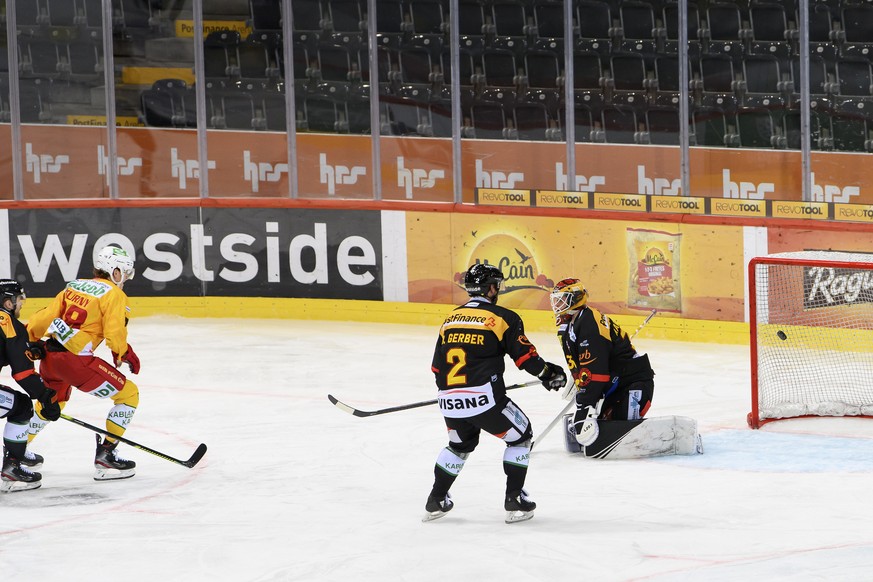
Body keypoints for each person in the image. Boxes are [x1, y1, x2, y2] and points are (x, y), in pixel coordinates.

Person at [424, 263, 568, 524]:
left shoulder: (450, 320)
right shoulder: (504, 318)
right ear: (491, 288)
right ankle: (514, 499)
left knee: (459, 446)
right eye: (496, 285)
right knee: (521, 437)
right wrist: (548, 374)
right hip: (485, 400)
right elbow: (526, 359)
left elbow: (436, 368)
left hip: (448, 399)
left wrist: (454, 393)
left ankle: (436, 500)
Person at [549, 278, 702, 458]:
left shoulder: (589, 323)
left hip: (635, 383)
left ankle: (676, 438)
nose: (557, 304)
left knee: (616, 422)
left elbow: (596, 373)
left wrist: (584, 405)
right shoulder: (574, 323)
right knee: (601, 422)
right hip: (616, 383)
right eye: (556, 299)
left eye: (562, 299)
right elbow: (586, 365)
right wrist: (579, 383)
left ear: (575, 298)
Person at [26, 246, 141, 481]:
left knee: (52, 403)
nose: (125, 279)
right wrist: (123, 352)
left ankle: (16, 452)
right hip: (76, 362)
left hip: (50, 358)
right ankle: (107, 455)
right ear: (115, 270)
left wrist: (31, 340)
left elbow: (43, 318)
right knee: (128, 395)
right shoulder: (114, 294)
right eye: (125, 273)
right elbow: (114, 331)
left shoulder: (74, 285)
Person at [0, 280, 61, 492]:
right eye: (18, 300)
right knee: (23, 406)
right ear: (8, 303)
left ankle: (17, 449)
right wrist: (46, 396)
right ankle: (13, 465)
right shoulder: (9, 324)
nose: (21, 304)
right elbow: (23, 374)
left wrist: (29, 347)